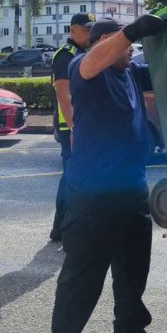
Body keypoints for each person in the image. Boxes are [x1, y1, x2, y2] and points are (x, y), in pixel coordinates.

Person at [39, 14, 167, 333]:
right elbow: (95, 58)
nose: (131, 51)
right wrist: (132, 31)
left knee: (132, 275)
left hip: (132, 191)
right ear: (106, 41)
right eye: (125, 45)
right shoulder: (85, 66)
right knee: (80, 287)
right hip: (92, 200)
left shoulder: (130, 73)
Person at [49, 12, 95, 242]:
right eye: (86, 29)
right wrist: (74, 127)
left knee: (76, 176)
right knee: (71, 177)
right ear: (72, 30)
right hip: (71, 128)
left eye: (91, 29)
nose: (89, 34)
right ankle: (61, 227)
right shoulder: (65, 55)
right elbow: (63, 94)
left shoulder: (83, 54)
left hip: (83, 125)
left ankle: (64, 226)